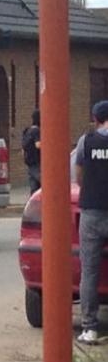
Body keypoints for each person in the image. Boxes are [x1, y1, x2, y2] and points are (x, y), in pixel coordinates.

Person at [75, 100, 108, 345]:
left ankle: (89, 328)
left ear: (95, 119)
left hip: (92, 212)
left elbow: (78, 174)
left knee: (89, 271)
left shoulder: (86, 141)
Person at [22, 109, 41, 194]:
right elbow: (38, 145)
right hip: (37, 163)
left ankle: (33, 201)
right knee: (44, 184)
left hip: (30, 163)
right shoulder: (37, 131)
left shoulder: (27, 131)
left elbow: (23, 149)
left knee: (34, 189)